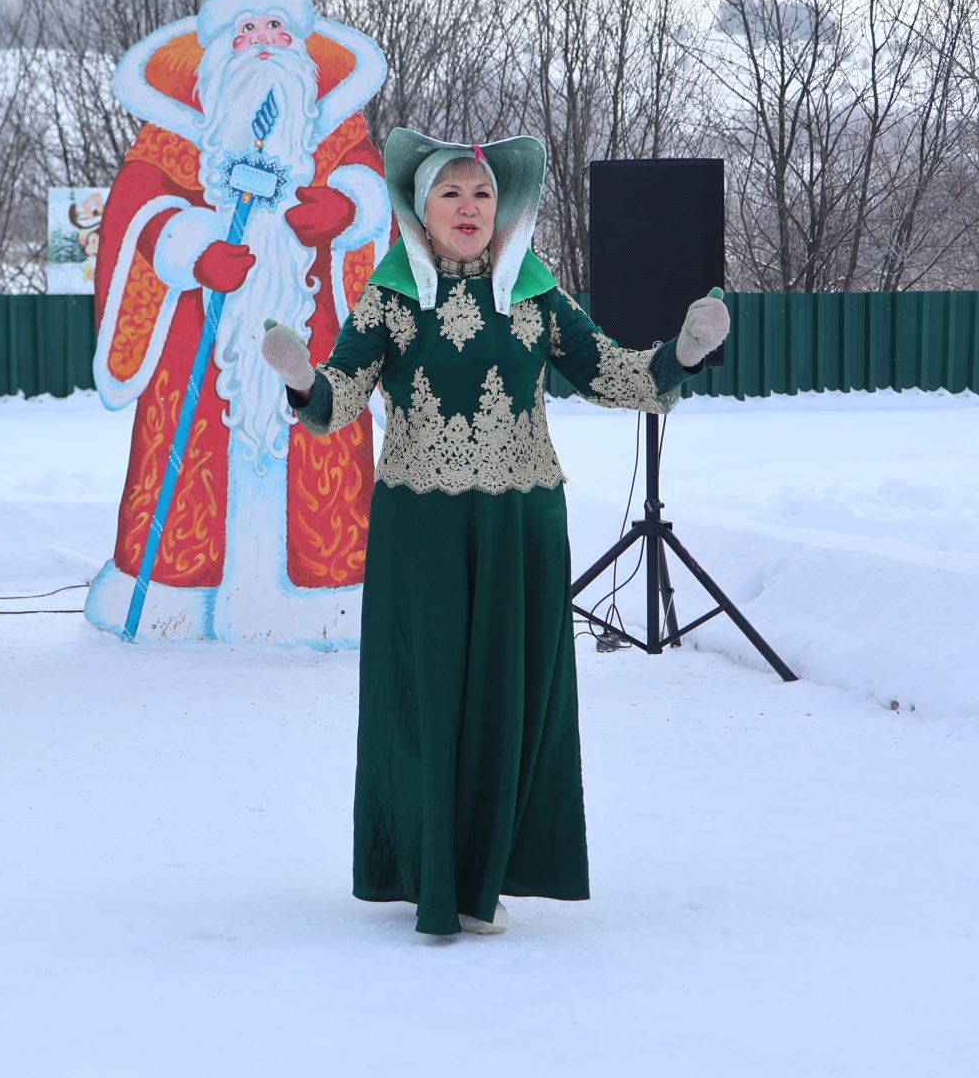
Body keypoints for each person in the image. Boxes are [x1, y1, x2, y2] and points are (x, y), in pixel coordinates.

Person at [260, 128, 729, 935]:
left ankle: (488, 877)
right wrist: (305, 383)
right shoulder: (392, 295)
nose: (469, 207)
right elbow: (337, 399)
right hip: (423, 527)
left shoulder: (536, 293)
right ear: (421, 210)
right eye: (451, 193)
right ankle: (432, 869)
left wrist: (677, 360)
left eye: (482, 194)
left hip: (520, 522)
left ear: (503, 206)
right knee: (431, 691)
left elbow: (608, 372)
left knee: (509, 695)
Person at [86, 0, 392, 643]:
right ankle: (174, 596)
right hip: (199, 340)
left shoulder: (335, 129)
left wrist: (345, 209)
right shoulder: (173, 133)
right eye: (246, 28)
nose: (262, 41)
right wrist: (189, 246)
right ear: (218, 47)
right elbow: (135, 206)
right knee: (190, 456)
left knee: (323, 448)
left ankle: (328, 598)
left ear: (302, 46)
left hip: (312, 328)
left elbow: (372, 191)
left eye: (277, 28)